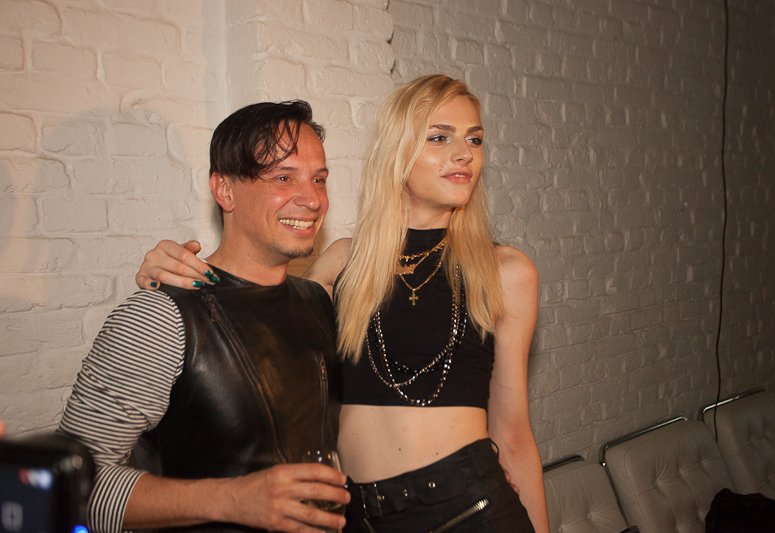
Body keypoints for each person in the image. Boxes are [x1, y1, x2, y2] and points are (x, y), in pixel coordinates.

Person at [135, 75, 549, 532]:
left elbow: (513, 433)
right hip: (355, 518)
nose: (465, 153)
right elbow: (258, 328)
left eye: (475, 139)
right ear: (396, 151)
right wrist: (171, 272)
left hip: (468, 509)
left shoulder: (504, 271)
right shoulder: (343, 261)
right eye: (439, 137)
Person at [59, 101, 350, 533]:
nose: (312, 199)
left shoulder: (318, 302)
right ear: (224, 190)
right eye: (283, 177)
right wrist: (232, 500)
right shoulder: (159, 317)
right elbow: (70, 487)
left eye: (319, 179)